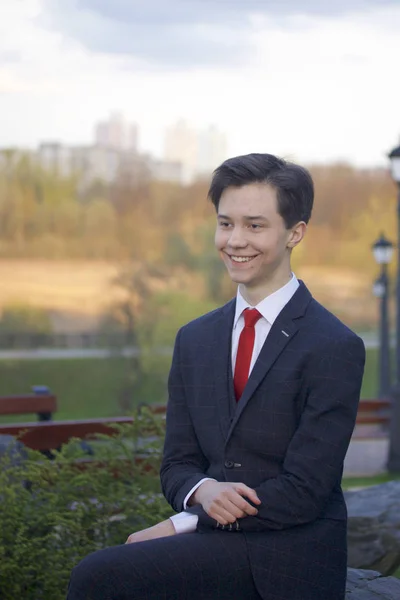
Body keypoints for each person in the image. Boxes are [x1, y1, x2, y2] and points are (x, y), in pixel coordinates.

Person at [67, 153, 365, 600]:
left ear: (294, 233)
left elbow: (306, 490)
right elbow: (176, 464)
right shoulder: (195, 338)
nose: (235, 240)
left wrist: (185, 521)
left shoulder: (333, 345)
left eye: (255, 225)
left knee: (102, 576)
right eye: (225, 223)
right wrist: (202, 490)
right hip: (217, 544)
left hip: (289, 554)